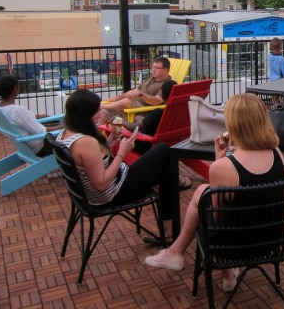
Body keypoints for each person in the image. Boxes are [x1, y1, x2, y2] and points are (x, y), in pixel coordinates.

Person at [145, 93, 284, 292]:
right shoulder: (277, 153)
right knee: (206, 195)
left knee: (203, 197)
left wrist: (218, 161)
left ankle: (179, 253)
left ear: (234, 124)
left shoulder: (224, 168)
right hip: (272, 241)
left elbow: (215, 216)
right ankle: (215, 271)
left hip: (234, 247)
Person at [57, 89, 176, 242]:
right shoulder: (86, 142)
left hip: (90, 194)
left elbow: (91, 162)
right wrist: (122, 153)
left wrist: (109, 142)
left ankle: (170, 233)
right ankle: (170, 232)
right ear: (85, 115)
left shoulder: (66, 134)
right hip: (113, 193)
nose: (100, 115)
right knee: (163, 150)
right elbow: (101, 183)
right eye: (97, 112)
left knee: (166, 171)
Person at [110, 80, 192, 191]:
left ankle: (116, 175)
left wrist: (118, 120)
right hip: (176, 142)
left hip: (149, 145)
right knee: (139, 118)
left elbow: (133, 128)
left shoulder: (159, 113)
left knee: (121, 138)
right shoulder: (184, 111)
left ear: (162, 95)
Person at [0, 74, 61, 157]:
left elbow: (22, 120)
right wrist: (62, 128)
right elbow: (41, 131)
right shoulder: (16, 111)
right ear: (15, 89)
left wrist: (37, 116)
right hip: (42, 146)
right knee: (74, 136)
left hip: (27, 146)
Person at [100, 56, 172, 122]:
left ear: (165, 70)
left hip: (144, 113)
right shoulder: (151, 77)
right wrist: (111, 100)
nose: (153, 70)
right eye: (153, 67)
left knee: (127, 101)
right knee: (104, 113)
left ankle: (101, 106)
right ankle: (99, 135)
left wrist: (141, 94)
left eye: (157, 68)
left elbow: (157, 101)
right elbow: (134, 91)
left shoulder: (167, 84)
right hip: (130, 110)